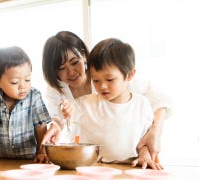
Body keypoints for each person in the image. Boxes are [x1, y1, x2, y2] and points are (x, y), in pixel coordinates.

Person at [41, 31, 170, 161]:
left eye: (74, 62)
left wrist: (155, 132)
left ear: (84, 55)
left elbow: (159, 101)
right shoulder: (61, 91)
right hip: (91, 160)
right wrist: (56, 125)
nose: (71, 72)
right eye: (62, 68)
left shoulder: (113, 74)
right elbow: (59, 117)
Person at [66, 38, 162, 169]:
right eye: (96, 80)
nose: (102, 86)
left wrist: (145, 156)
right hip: (97, 169)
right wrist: (65, 109)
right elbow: (67, 116)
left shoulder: (141, 105)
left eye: (110, 79)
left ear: (129, 75)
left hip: (131, 168)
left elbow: (145, 141)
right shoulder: (87, 103)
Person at [0, 46, 51, 163]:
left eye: (27, 80)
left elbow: (41, 126)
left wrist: (42, 152)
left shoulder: (34, 96)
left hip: (29, 160)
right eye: (15, 82)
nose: (23, 86)